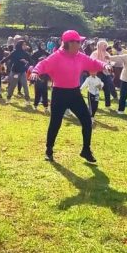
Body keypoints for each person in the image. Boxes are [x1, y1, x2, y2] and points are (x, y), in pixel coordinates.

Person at [31, 30, 108, 163]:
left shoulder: (80, 56)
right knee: (55, 123)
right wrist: (35, 72)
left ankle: (86, 150)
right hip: (59, 93)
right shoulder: (56, 57)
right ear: (70, 43)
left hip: (75, 94)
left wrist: (105, 65)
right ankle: (49, 150)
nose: (80, 44)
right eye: (78, 42)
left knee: (87, 121)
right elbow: (42, 64)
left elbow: (94, 63)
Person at [0, 39, 32, 104]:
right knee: (12, 86)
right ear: (20, 45)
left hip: (22, 72)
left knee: (25, 85)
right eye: (24, 44)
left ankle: (27, 100)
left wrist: (25, 62)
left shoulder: (25, 53)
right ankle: (8, 98)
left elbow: (31, 61)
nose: (25, 46)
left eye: (25, 44)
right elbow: (7, 58)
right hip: (15, 72)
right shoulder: (14, 52)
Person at [90, 40, 117, 108]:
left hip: (105, 73)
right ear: (100, 46)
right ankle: (93, 104)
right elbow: (93, 62)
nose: (105, 47)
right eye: (104, 45)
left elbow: (110, 61)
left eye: (106, 45)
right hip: (97, 73)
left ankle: (108, 105)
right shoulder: (95, 53)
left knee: (107, 88)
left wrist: (110, 64)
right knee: (95, 89)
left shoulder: (107, 53)